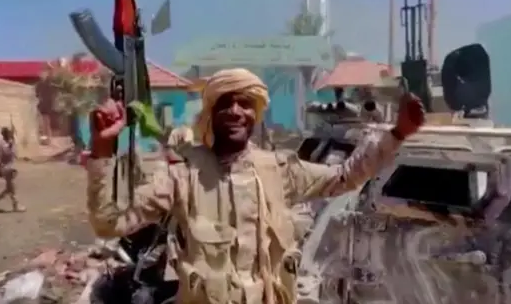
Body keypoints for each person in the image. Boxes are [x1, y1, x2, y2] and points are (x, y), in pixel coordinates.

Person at [87, 68, 424, 304]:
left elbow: (344, 177)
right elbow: (109, 221)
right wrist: (103, 151)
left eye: (245, 103)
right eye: (226, 103)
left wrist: (396, 135)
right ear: (212, 113)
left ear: (256, 113)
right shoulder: (182, 177)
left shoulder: (280, 171)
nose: (236, 111)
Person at [86, 79, 127, 210]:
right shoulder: (98, 111)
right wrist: (121, 122)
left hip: (104, 159)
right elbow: (101, 136)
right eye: (117, 89)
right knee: (100, 200)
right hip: (100, 161)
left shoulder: (113, 107)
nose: (119, 93)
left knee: (101, 198)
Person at [0, 127, 24, 213]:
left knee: (9, 189)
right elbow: (1, 158)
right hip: (6, 169)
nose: (10, 135)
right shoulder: (3, 144)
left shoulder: (10, 142)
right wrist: (1, 171)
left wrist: (13, 143)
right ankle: (15, 205)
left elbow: (15, 155)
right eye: (8, 134)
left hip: (11, 168)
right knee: (11, 189)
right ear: (5, 135)